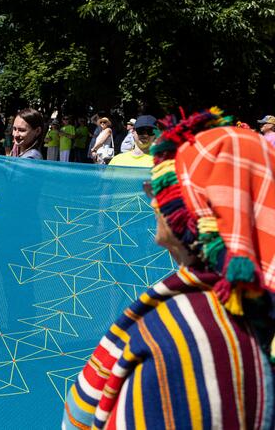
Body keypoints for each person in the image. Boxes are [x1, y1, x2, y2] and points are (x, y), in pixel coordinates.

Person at [63, 108, 275, 429]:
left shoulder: (189, 335)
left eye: (161, 190)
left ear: (192, 207)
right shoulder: (234, 313)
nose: (152, 203)